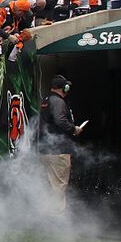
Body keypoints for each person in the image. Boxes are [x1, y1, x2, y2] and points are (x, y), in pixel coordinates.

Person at [38, 75, 83, 216]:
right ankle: (57, 216)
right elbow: (60, 120)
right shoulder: (58, 102)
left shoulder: (46, 100)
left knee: (51, 184)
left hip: (46, 150)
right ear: (64, 88)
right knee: (59, 185)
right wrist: (74, 129)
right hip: (58, 151)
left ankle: (48, 213)